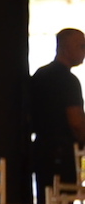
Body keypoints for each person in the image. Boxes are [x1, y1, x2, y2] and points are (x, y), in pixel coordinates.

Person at [31, 28, 85, 194]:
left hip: (41, 150)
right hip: (63, 153)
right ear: (65, 49)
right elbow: (76, 122)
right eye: (81, 46)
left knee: (46, 200)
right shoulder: (69, 81)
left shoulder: (40, 75)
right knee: (64, 201)